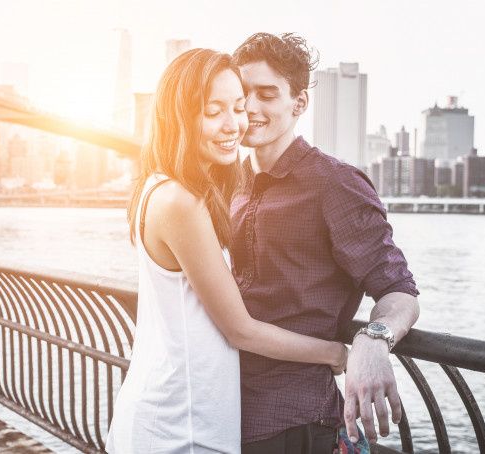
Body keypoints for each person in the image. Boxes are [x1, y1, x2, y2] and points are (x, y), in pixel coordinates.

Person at [105, 48, 349, 454]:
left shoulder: (158, 187)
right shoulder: (180, 202)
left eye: (238, 108)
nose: (233, 124)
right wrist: (338, 353)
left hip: (166, 412)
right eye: (212, 110)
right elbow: (240, 329)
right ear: (179, 116)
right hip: (180, 427)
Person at [230, 32, 421, 453]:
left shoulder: (334, 183)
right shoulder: (235, 181)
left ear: (299, 104)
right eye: (243, 94)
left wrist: (373, 339)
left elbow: (398, 289)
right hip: (227, 404)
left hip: (294, 418)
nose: (251, 108)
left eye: (267, 94)